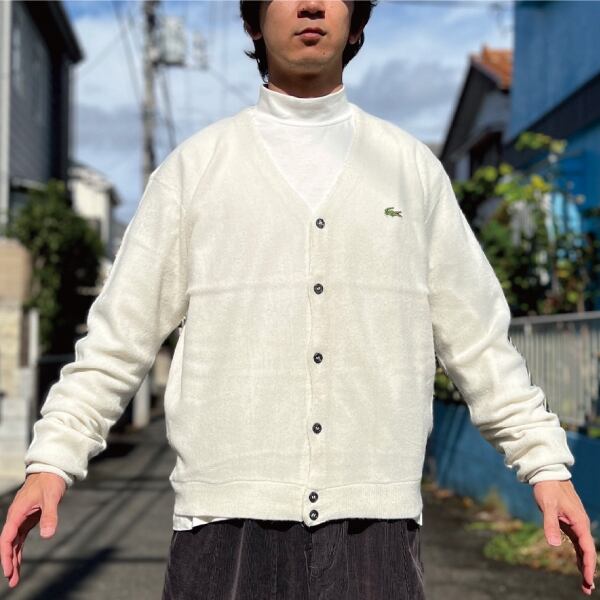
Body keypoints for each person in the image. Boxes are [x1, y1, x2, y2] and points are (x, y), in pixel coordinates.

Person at [1, 1, 596, 598]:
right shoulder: (195, 170)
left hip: (375, 528)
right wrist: (54, 458)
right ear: (253, 21)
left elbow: (478, 340)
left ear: (356, 22)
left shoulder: (410, 171)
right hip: (222, 527)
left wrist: (544, 463)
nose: (311, 4)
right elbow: (118, 339)